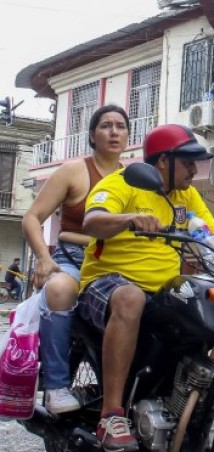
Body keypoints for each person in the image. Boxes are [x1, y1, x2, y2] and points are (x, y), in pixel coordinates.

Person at [76, 124, 214, 452]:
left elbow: (213, 235)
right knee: (130, 297)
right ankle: (110, 415)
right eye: (187, 162)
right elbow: (92, 221)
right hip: (108, 283)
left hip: (163, 289)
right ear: (162, 163)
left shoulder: (187, 195)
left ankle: (194, 406)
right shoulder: (122, 182)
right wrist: (129, 218)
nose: (195, 170)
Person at [21, 104, 129, 414]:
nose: (113, 131)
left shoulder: (132, 177)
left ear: (127, 135)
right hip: (74, 258)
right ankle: (56, 386)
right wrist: (43, 258)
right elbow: (32, 217)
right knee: (59, 290)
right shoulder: (74, 170)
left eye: (120, 126)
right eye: (106, 126)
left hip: (118, 262)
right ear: (93, 136)